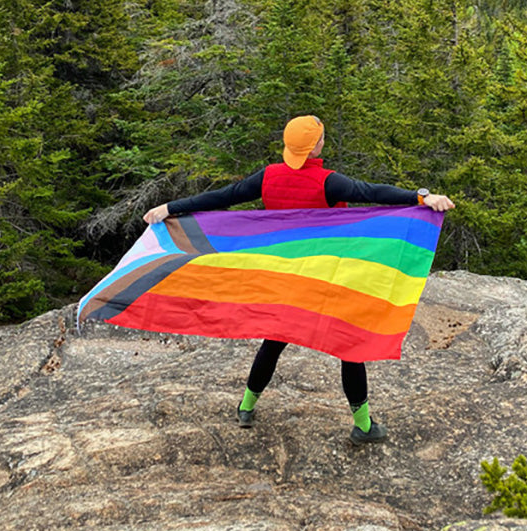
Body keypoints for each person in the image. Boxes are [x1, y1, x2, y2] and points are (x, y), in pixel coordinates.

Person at [143, 114, 454, 444]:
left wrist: (170, 208)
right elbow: (372, 192)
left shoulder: (268, 177)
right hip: (329, 275)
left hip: (287, 277)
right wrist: (422, 198)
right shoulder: (328, 181)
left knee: (275, 339)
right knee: (349, 344)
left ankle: (246, 407)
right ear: (317, 146)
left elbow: (223, 196)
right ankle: (363, 425)